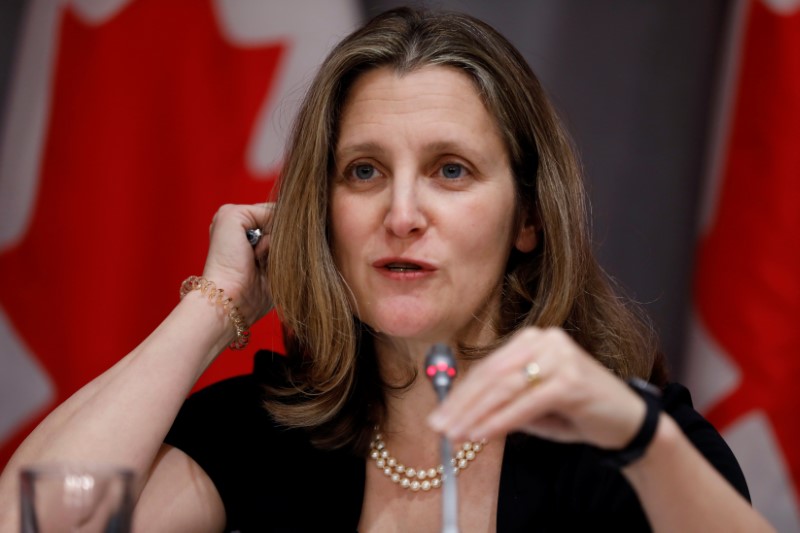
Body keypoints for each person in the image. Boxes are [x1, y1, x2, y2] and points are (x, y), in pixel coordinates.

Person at [0, 6, 775, 532]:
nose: (401, 213)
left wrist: (641, 438)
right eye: (363, 172)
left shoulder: (623, 443)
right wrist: (217, 305)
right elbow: (30, 518)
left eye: (451, 170)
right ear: (322, 211)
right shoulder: (266, 434)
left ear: (529, 219)